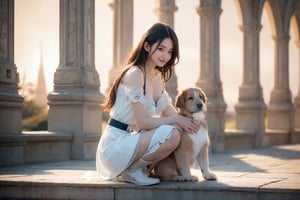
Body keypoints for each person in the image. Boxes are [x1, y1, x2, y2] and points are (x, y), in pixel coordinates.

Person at [96, 23, 200, 186]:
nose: (165, 55)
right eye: (161, 49)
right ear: (146, 46)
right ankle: (131, 171)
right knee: (172, 133)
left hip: (135, 140)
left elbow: (171, 114)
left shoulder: (157, 77)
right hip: (116, 144)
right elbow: (143, 122)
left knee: (180, 133)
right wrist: (177, 121)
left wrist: (190, 125)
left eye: (170, 51)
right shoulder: (135, 74)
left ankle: (137, 169)